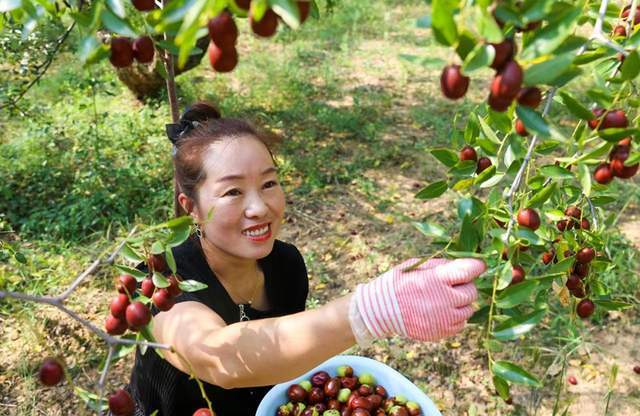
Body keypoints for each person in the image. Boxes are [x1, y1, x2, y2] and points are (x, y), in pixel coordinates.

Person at [126, 102, 486, 415]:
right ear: (191, 208)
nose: (259, 207)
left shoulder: (286, 266)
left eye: (269, 183)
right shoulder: (161, 282)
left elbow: (283, 361)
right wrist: (372, 310)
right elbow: (219, 358)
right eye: (232, 191)